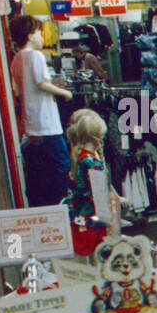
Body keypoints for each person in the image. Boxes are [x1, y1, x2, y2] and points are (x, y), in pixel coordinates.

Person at [9, 15, 73, 205]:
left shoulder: (17, 59)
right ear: (29, 35)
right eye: (38, 32)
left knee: (39, 173)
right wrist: (64, 93)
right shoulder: (35, 55)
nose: (41, 36)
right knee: (61, 165)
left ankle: (42, 208)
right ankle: (59, 207)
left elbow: (20, 90)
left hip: (31, 125)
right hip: (47, 124)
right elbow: (41, 83)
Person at [62, 109, 111, 257]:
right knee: (98, 254)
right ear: (97, 137)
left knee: (84, 253)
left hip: (81, 211)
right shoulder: (91, 163)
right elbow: (99, 193)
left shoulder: (79, 157)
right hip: (92, 214)